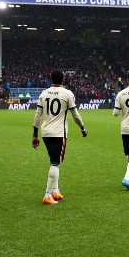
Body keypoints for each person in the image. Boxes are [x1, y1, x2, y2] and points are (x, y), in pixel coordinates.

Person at [32, 69, 88, 205]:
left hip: (45, 133)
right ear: (63, 79)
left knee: (54, 160)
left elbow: (38, 115)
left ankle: (55, 191)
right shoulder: (67, 94)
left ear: (51, 78)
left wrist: (35, 135)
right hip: (58, 133)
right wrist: (82, 128)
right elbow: (75, 114)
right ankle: (47, 195)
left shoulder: (44, 93)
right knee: (55, 163)